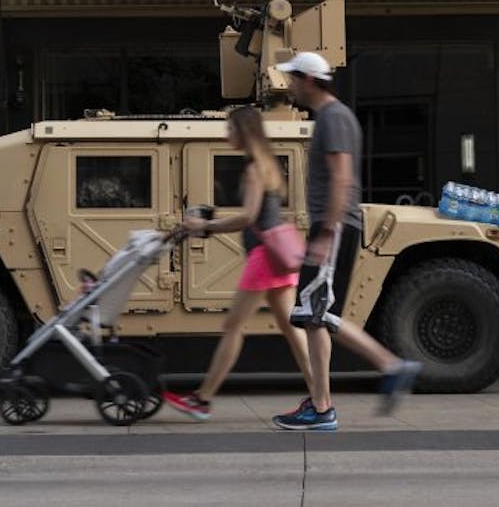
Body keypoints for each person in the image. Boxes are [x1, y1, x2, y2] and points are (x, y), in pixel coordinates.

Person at [269, 51, 423, 432]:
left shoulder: (334, 118)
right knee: (314, 315)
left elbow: (342, 178)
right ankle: (323, 403)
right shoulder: (333, 117)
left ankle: (335, 400)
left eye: (292, 78)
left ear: (308, 79)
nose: (289, 85)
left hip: (333, 227)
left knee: (315, 314)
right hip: (333, 226)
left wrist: (325, 232)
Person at [162, 106, 315, 421]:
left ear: (244, 131)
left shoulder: (253, 168)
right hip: (276, 255)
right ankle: (320, 396)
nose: (226, 134)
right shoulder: (266, 164)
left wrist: (204, 227)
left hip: (263, 256)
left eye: (230, 128)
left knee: (233, 326)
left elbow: (248, 216)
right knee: (291, 328)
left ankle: (202, 400)